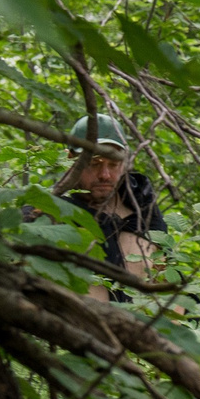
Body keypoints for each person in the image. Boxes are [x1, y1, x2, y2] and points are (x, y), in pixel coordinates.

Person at [58, 114, 165, 301]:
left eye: (113, 164)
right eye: (94, 164)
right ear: (70, 160)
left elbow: (166, 281)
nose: (105, 175)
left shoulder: (142, 206)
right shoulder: (52, 210)